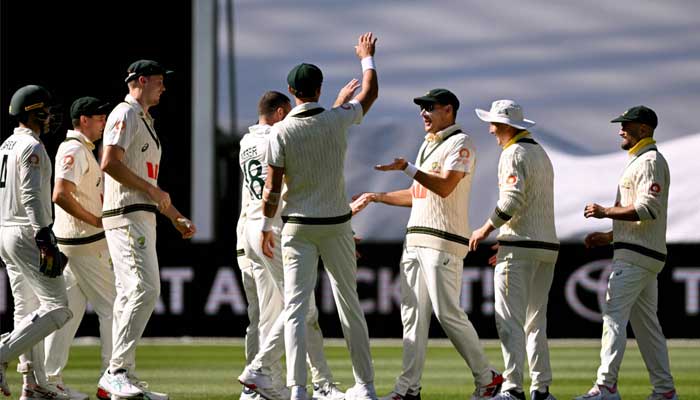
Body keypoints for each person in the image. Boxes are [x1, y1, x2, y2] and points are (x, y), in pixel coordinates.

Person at [239, 32, 379, 400]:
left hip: (297, 227)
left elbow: (271, 190)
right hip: (335, 225)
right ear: (319, 88)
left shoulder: (279, 132)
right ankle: (364, 386)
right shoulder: (337, 119)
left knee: (296, 309)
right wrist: (367, 58)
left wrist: (268, 226)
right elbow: (369, 95)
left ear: (291, 91)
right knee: (349, 306)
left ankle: (299, 388)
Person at [351, 88, 503, 400]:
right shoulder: (427, 145)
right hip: (415, 240)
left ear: (448, 110)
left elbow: (445, 186)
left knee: (447, 313)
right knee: (413, 316)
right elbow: (417, 193)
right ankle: (408, 389)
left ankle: (488, 379)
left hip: (443, 240)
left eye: (429, 108)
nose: (423, 113)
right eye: (422, 108)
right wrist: (376, 196)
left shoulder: (461, 144)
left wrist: (408, 167)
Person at [97, 60, 196, 400]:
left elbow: (149, 183)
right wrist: (154, 193)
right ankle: (116, 372)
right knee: (144, 289)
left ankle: (122, 374)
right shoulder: (124, 113)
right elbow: (108, 162)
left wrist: (175, 216)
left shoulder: (143, 119)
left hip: (140, 214)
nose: (163, 87)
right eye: (159, 81)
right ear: (140, 81)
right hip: (126, 214)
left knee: (131, 294)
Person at [575, 106, 677, 400]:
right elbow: (639, 218)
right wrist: (608, 236)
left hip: (636, 257)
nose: (621, 130)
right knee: (647, 328)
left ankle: (606, 386)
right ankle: (665, 391)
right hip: (640, 253)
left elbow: (648, 209)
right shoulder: (641, 161)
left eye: (627, 125)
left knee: (613, 316)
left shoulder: (650, 161)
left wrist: (604, 211)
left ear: (644, 129)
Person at [469, 100, 558, 400]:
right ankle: (541, 389)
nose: (491, 129)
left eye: (494, 124)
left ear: (508, 126)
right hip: (545, 246)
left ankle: (512, 388)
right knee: (536, 321)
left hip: (521, 247)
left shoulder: (513, 153)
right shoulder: (541, 153)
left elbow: (512, 200)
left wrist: (485, 229)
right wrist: (507, 237)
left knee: (509, 320)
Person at [38, 97, 115, 400]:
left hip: (73, 246)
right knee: (115, 308)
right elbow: (60, 194)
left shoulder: (82, 150)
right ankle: (112, 378)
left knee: (66, 313)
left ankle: (49, 381)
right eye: (99, 118)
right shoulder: (73, 149)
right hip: (83, 246)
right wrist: (96, 220)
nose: (103, 123)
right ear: (83, 120)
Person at [0, 85, 72, 399]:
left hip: (5, 230)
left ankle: (33, 383)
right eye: (48, 110)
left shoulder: (6, 144)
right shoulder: (31, 146)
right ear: (35, 111)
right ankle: (2, 352)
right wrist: (44, 235)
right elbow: (30, 195)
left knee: (26, 307)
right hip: (27, 232)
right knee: (58, 308)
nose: (51, 116)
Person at [235, 185, 262, 400]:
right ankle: (254, 385)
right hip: (258, 236)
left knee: (263, 316)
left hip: (254, 236)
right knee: (262, 316)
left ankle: (259, 382)